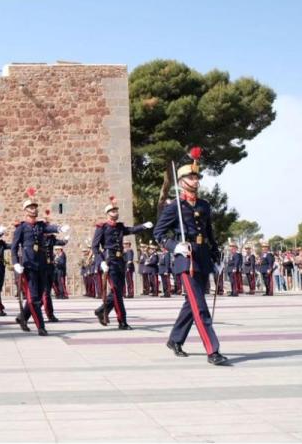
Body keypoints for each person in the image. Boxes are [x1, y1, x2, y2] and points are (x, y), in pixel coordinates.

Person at [154, 148, 229, 365]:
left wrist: (216, 256)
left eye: (197, 177)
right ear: (181, 181)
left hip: (203, 258)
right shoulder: (174, 206)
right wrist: (175, 246)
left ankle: (175, 339)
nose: (195, 181)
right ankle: (212, 350)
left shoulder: (204, 205)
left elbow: (209, 233)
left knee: (191, 304)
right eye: (191, 177)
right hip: (186, 261)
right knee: (200, 306)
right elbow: (158, 234)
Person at [11, 187, 67, 336]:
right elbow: (14, 247)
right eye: (30, 207)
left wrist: (59, 227)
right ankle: (40, 326)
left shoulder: (41, 226)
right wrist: (16, 262)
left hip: (41, 265)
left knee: (40, 298)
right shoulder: (21, 228)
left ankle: (22, 318)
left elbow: (50, 227)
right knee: (34, 298)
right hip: (28, 266)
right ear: (25, 210)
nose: (34, 209)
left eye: (35, 207)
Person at [92, 196, 153, 329]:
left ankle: (102, 310)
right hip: (109, 261)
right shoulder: (102, 227)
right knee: (116, 292)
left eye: (116, 211)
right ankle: (122, 321)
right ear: (107, 214)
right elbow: (95, 247)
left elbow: (131, 230)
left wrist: (143, 226)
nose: (115, 213)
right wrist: (101, 261)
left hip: (120, 262)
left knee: (118, 291)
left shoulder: (120, 227)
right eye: (112, 211)